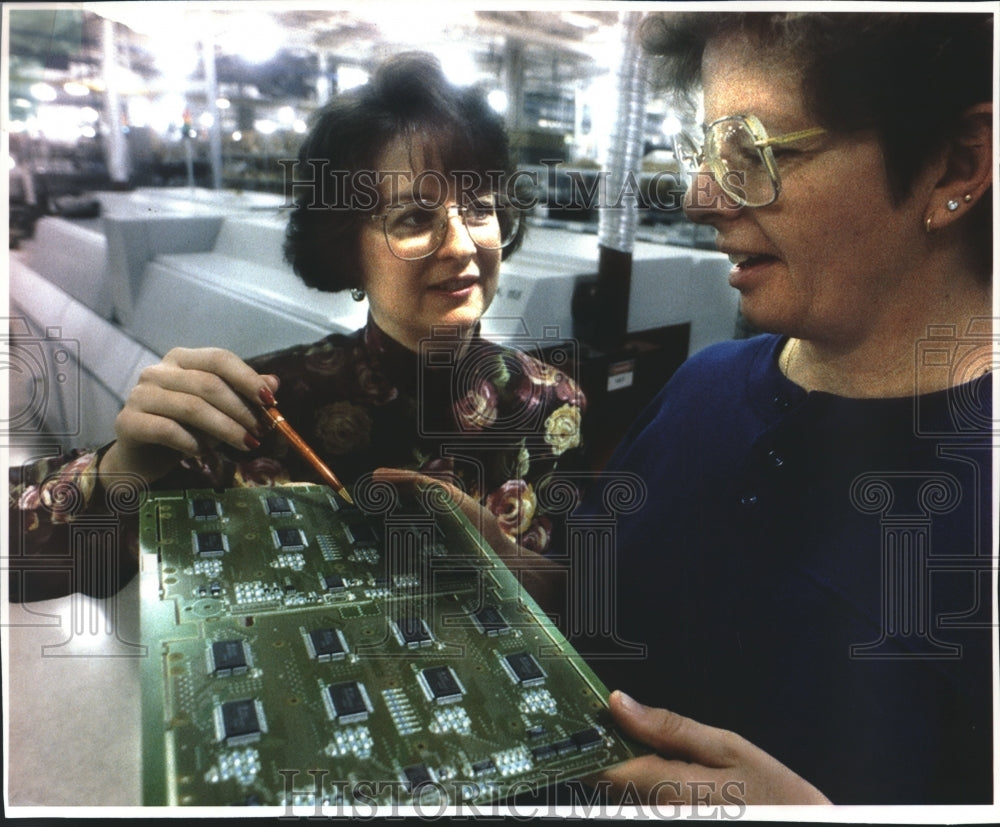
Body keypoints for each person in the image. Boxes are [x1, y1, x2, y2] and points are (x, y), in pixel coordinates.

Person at [572, 11, 994, 807]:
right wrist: (499, 572)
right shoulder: (704, 387)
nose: (701, 197)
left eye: (752, 152)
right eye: (707, 153)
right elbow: (613, 590)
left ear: (956, 164)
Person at [8, 52, 587, 603]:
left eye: (479, 208)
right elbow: (19, 555)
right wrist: (119, 472)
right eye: (414, 217)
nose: (462, 245)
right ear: (346, 252)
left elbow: (588, 597)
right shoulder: (259, 412)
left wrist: (500, 560)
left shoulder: (553, 403)